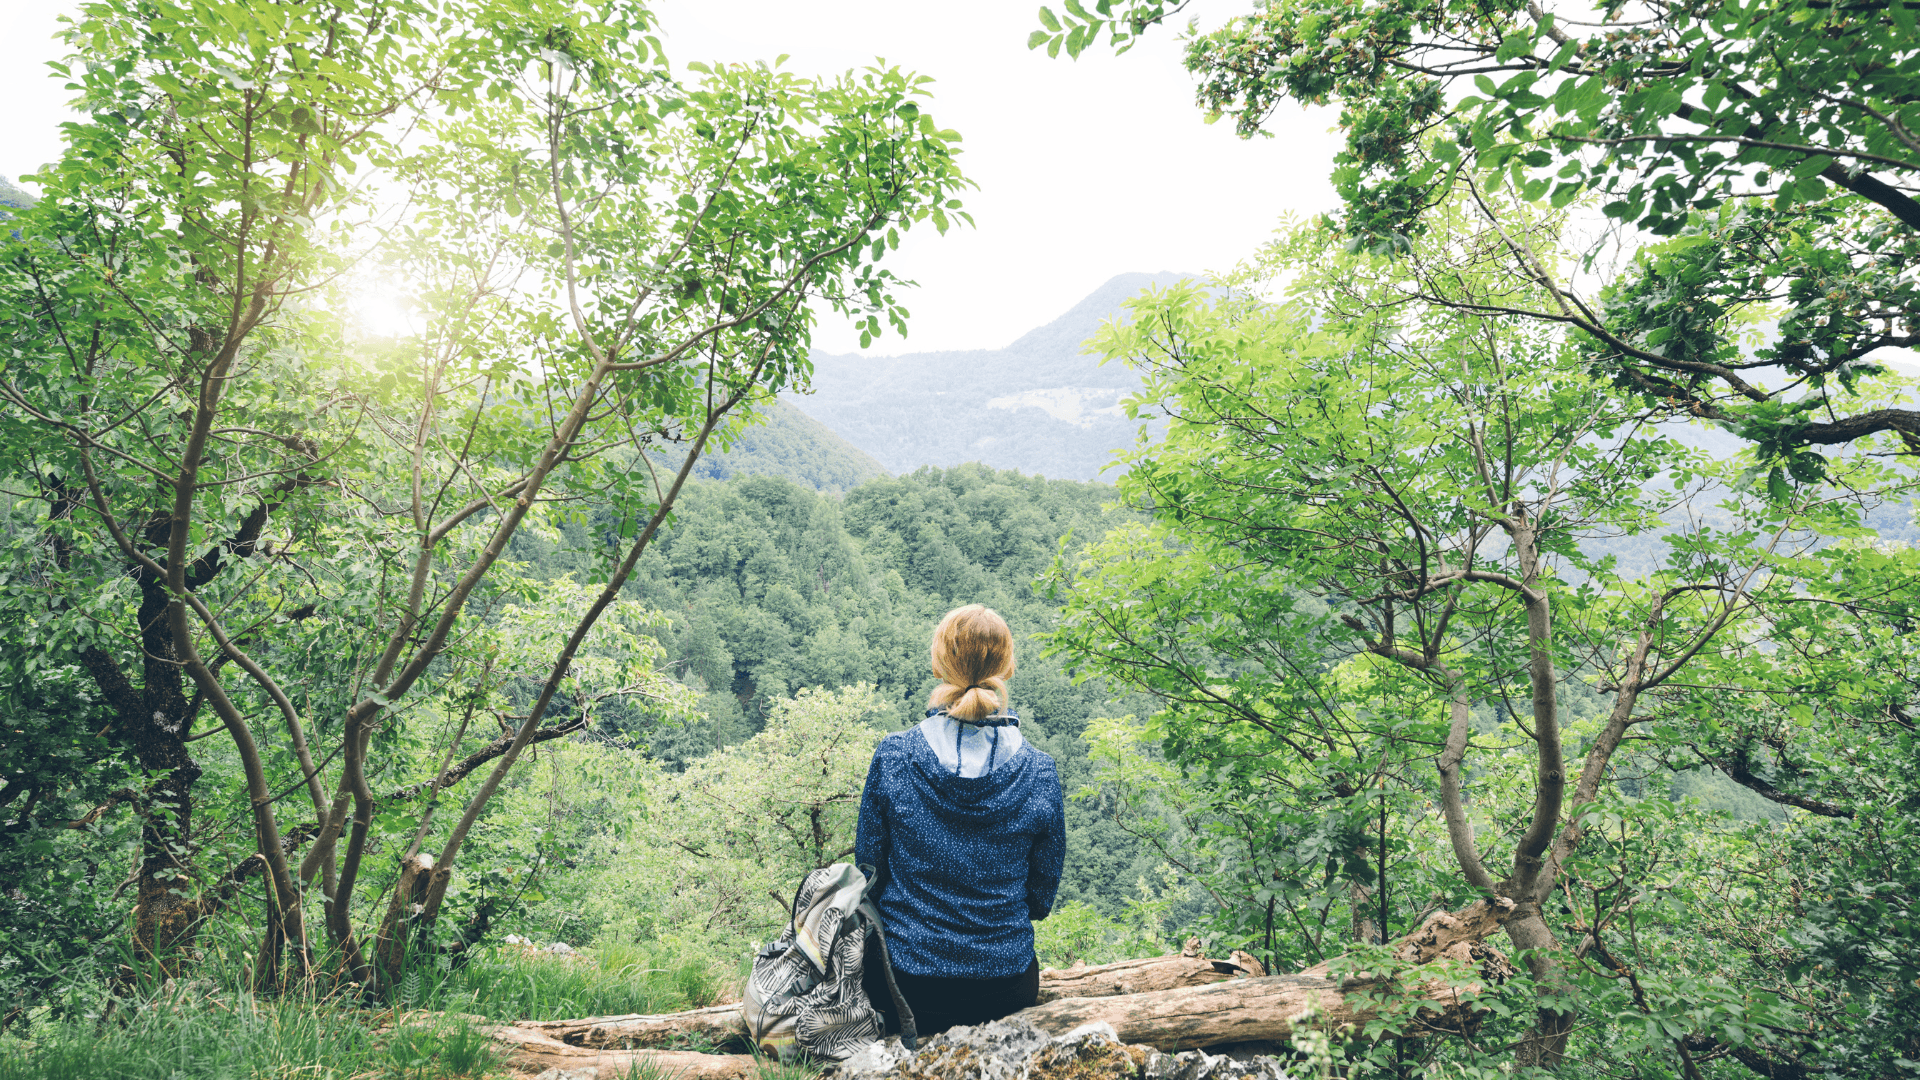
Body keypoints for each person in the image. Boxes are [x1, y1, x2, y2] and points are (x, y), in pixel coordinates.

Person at [855, 603, 1066, 1036]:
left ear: (940, 663)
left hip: (904, 985)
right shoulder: (1040, 772)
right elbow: (1041, 900)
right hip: (1005, 985)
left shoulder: (895, 756)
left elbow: (868, 876)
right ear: (1005, 667)